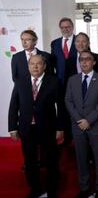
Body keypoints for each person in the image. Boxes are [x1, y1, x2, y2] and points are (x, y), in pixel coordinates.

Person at [8, 55, 64, 198]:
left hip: (47, 127)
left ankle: (52, 189)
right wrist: (12, 127)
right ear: (28, 66)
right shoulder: (20, 82)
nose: (35, 66)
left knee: (51, 160)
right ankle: (35, 188)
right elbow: (14, 105)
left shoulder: (54, 81)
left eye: (39, 64)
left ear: (44, 66)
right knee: (30, 161)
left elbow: (61, 106)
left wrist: (60, 127)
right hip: (27, 127)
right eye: (32, 64)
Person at [65, 51, 98, 198]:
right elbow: (68, 101)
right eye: (81, 60)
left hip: (95, 125)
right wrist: (80, 120)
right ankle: (84, 188)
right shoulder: (72, 80)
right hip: (77, 125)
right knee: (81, 158)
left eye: (88, 59)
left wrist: (88, 120)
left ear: (93, 62)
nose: (84, 62)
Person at [51, 17, 77, 144]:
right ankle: (66, 138)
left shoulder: (79, 41)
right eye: (63, 27)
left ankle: (77, 137)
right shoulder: (55, 43)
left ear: (72, 27)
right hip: (60, 83)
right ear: (60, 28)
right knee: (62, 109)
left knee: (76, 110)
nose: (65, 29)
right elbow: (53, 64)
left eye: (68, 27)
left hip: (76, 83)